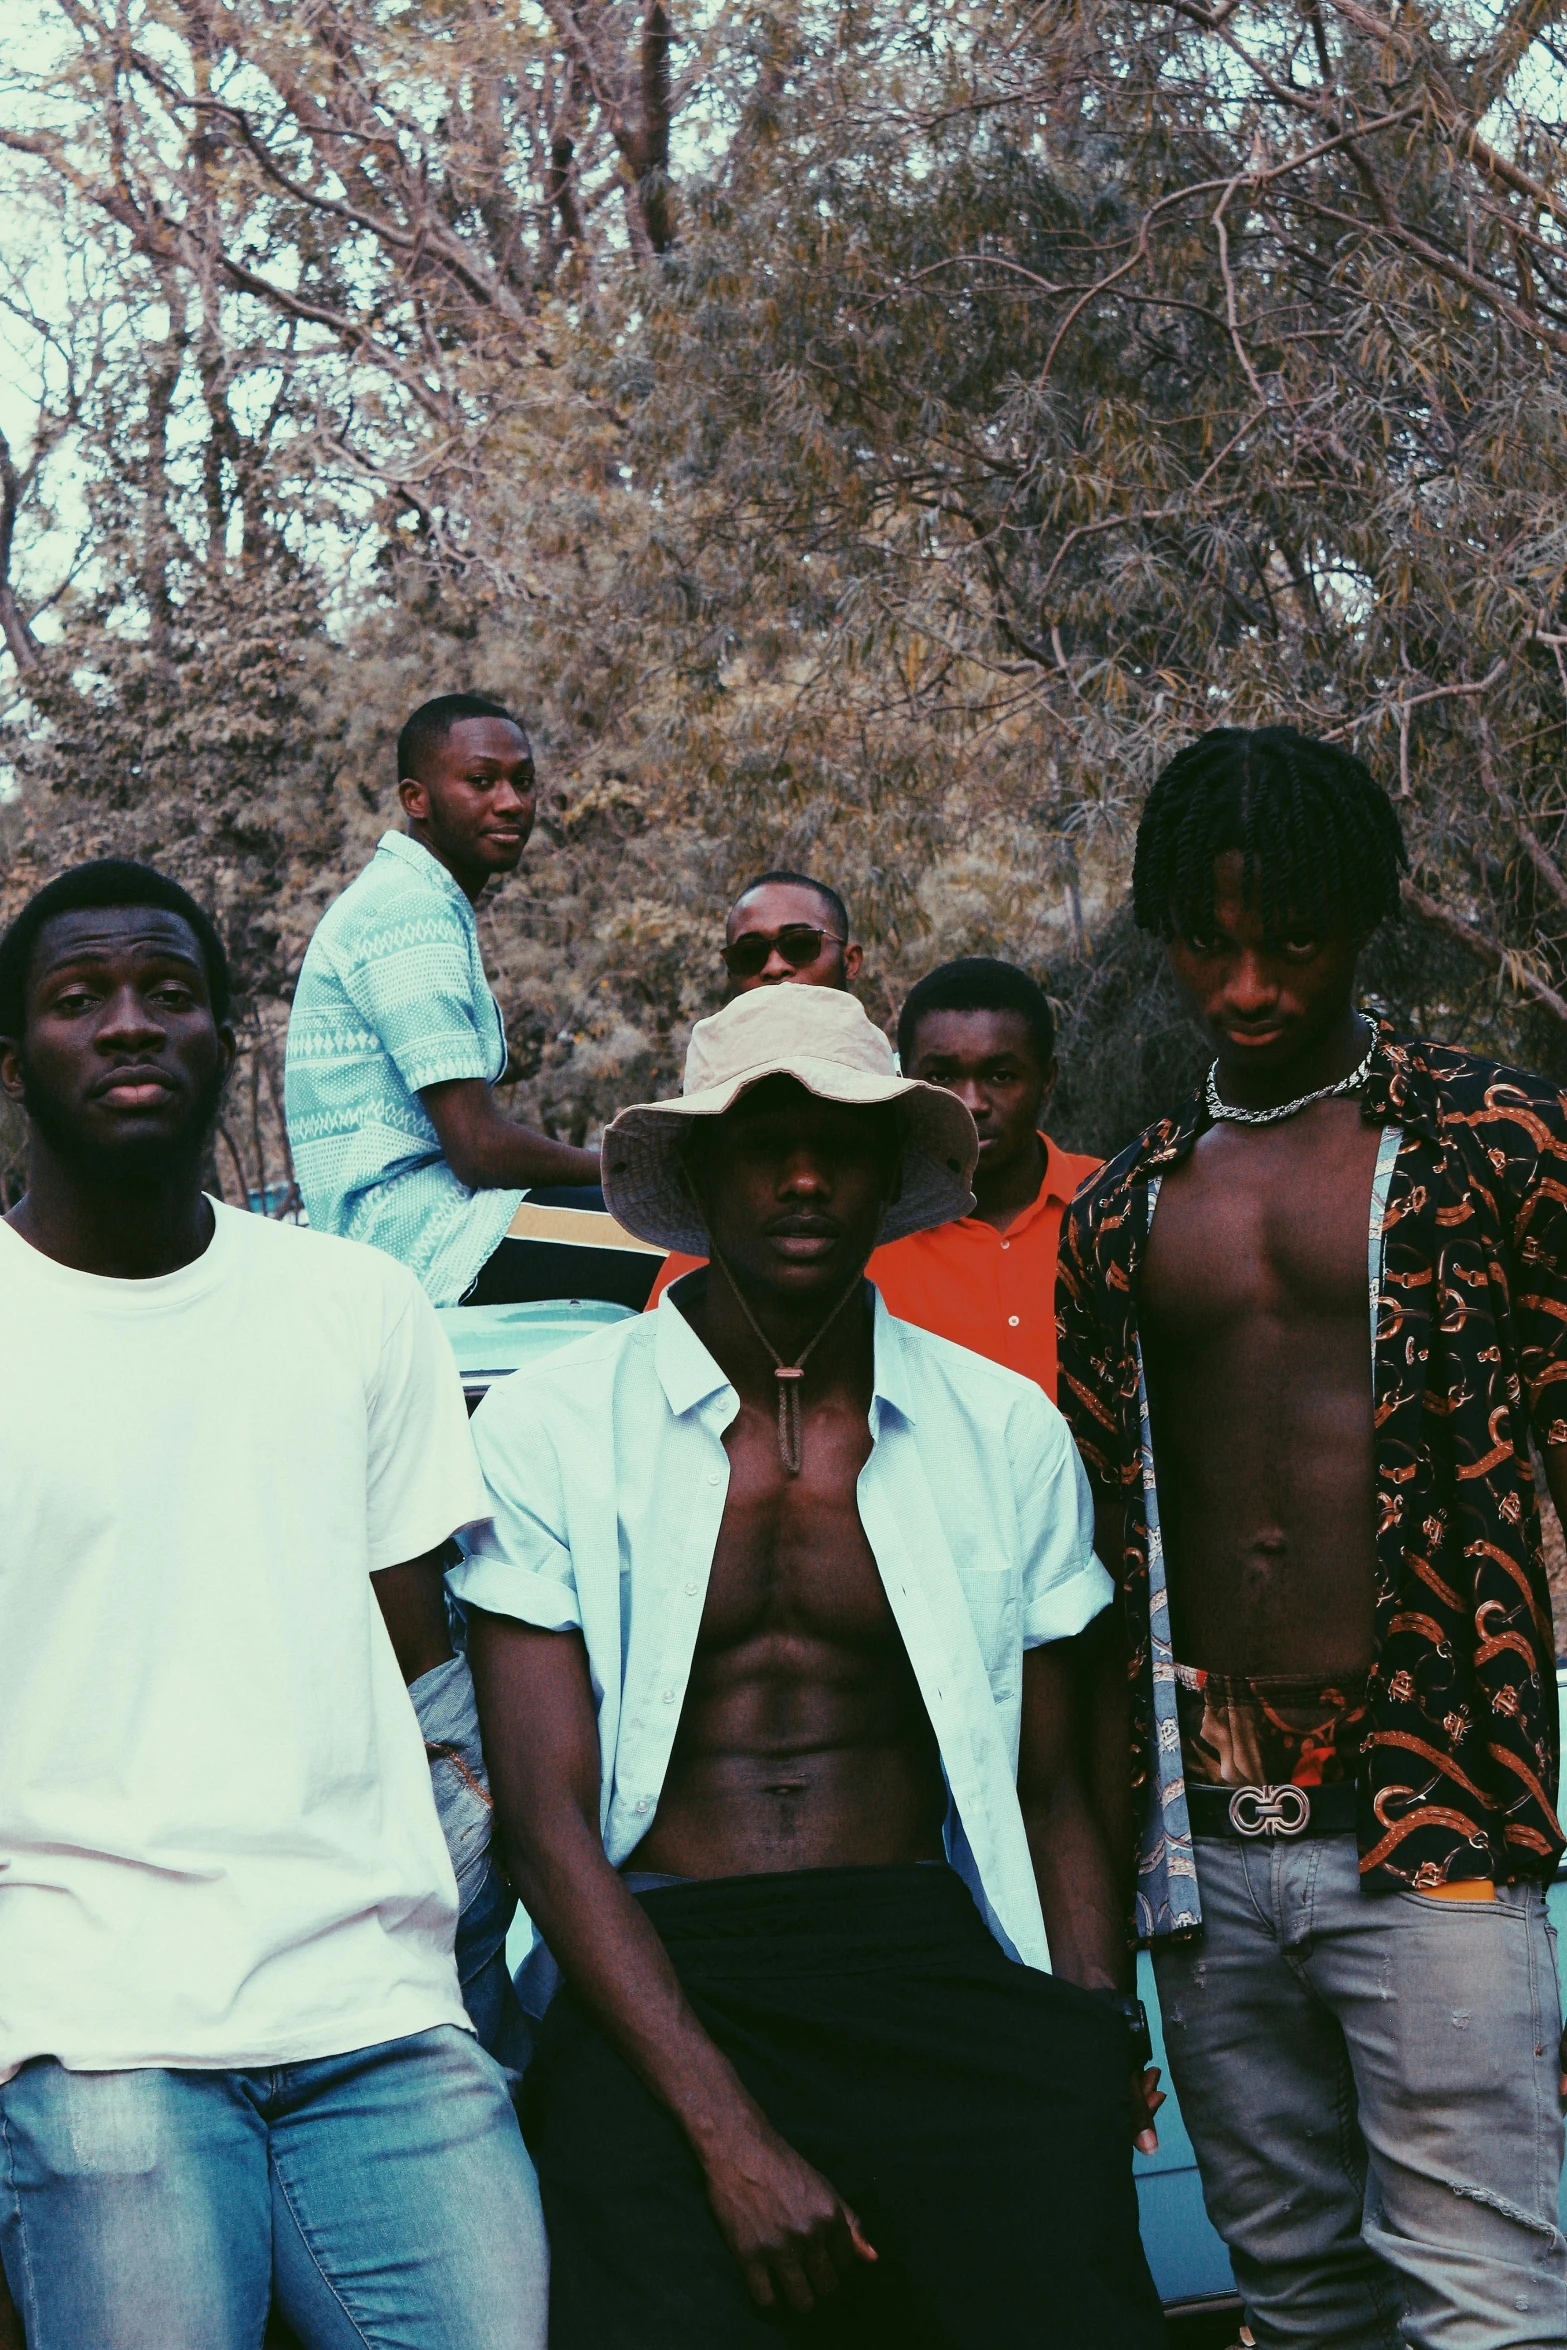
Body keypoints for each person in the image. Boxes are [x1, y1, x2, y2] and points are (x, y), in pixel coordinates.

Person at [452, 983, 1166, 2350]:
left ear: (887, 1175)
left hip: (914, 1946)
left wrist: (1087, 2038)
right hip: (660, 1963)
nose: (798, 1175)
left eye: (837, 1143)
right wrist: (727, 2136)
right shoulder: (551, 1429)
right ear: (701, 1173)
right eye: (760, 1141)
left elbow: (1053, 1785)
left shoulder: (998, 1431)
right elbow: (545, 1822)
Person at [1056, 726, 1567, 2350]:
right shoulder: (1123, 1208)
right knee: (1292, 2300)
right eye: (1211, 943)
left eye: (1291, 941)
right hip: (1208, 1848)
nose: (1250, 984)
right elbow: (1091, 1568)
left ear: (1359, 924)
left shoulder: (1495, 1148)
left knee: (1483, 2302)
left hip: (1440, 1814)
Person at [0, 860, 548, 2350]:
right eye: (77, 999)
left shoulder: (353, 1306)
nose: (128, 1025)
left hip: (376, 2013)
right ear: (13, 1060)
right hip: (88, 2029)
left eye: (169, 994)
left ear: (226, 1041)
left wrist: (464, 1974)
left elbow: (427, 1684)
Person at [285, 691, 659, 1307]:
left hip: (430, 1226)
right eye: (481, 781)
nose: (511, 803)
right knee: (695, 1249)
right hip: (416, 1240)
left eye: (523, 781)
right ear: (416, 799)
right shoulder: (408, 910)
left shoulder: (414, 896)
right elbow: (479, 1150)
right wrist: (628, 1169)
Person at [866, 956, 1100, 1399]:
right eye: (941, 1077)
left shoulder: (1116, 1204)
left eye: (1001, 1075)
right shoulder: (868, 1233)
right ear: (904, 1082)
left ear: (1047, 1079)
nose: (971, 1102)